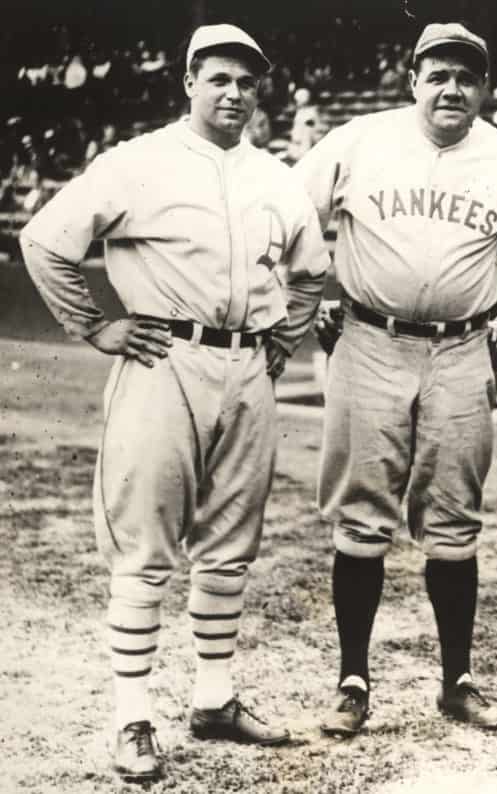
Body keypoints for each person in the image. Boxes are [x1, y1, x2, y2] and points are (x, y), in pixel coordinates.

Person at [18, 24, 329, 783]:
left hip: (248, 366)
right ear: (189, 80)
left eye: (248, 81)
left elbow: (311, 273)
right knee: (145, 545)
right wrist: (97, 325)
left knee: (230, 546)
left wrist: (281, 345)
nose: (235, 92)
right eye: (219, 77)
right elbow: (46, 240)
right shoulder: (139, 162)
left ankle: (214, 699)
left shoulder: (275, 176)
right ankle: (132, 716)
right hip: (164, 361)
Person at [294, 22, 497, 737]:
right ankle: (352, 679)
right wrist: (312, 296)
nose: (452, 88)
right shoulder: (358, 141)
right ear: (412, 79)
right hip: (370, 339)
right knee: (361, 517)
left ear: (484, 89)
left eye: (467, 77)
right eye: (438, 74)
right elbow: (286, 215)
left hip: (464, 347)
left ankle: (458, 679)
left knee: (455, 519)